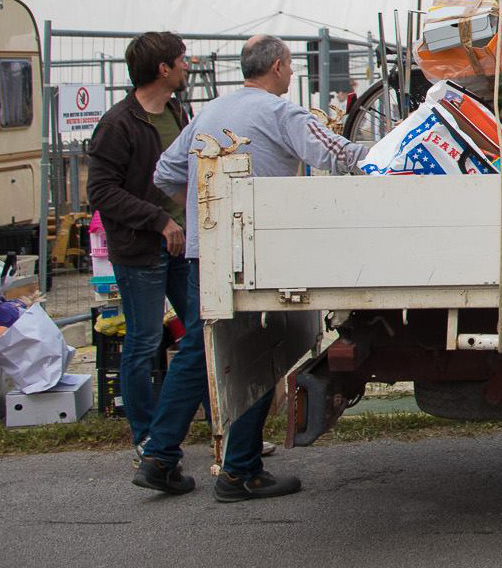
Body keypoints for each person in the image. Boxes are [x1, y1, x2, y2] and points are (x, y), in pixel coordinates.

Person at [133, 35, 369, 501]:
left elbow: (164, 172)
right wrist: (393, 158)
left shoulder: (211, 112)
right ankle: (239, 470)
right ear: (279, 66)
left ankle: (161, 455)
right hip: (261, 249)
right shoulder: (283, 113)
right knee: (261, 354)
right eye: (290, 67)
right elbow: (336, 154)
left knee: (204, 351)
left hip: (211, 248)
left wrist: (206, 207)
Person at [86, 32, 190, 450]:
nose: (187, 65)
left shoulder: (176, 111)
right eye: (181, 59)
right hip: (143, 249)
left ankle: (195, 426)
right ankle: (147, 437)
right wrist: (159, 220)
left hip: (184, 246)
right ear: (163, 69)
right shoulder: (118, 124)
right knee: (144, 341)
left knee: (204, 332)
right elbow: (102, 192)